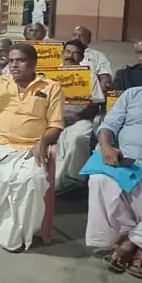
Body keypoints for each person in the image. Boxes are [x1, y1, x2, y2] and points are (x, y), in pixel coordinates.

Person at [0, 43, 64, 252]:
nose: (14, 65)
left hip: (29, 148)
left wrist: (43, 142)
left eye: (20, 61)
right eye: (11, 61)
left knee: (32, 179)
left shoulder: (51, 87)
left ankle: (14, 233)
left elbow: (55, 125)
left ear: (33, 63)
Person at [86, 86, 142, 277]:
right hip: (125, 161)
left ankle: (133, 244)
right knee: (99, 179)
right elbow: (108, 125)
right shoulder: (134, 94)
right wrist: (106, 146)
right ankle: (135, 241)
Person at [55, 39, 104, 193]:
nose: (70, 56)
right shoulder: (50, 72)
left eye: (76, 54)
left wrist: (76, 117)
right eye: (68, 52)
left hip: (79, 118)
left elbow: (96, 105)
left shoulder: (88, 75)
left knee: (79, 137)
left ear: (82, 57)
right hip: (51, 119)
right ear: (62, 53)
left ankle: (71, 181)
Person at [73, 25, 113, 91]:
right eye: (74, 35)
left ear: (89, 40)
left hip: (90, 91)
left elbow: (105, 75)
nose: (77, 38)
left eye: (82, 36)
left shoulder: (98, 56)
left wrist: (103, 85)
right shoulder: (62, 53)